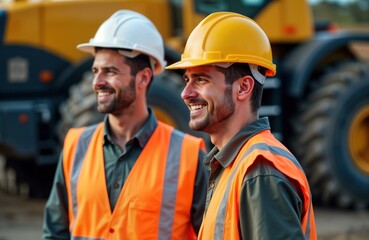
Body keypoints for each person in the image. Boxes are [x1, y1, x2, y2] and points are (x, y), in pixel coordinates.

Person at [42, 10, 208, 240]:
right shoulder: (75, 146)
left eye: (110, 72)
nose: (97, 82)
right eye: (95, 71)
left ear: (143, 78)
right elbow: (54, 232)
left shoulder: (188, 155)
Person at [166, 11, 317, 240]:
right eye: (187, 80)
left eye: (202, 79)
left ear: (244, 88)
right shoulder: (232, 164)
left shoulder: (260, 172)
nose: (185, 93)